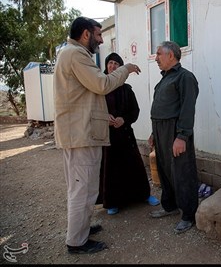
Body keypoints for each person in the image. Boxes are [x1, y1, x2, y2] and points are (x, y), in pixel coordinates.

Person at [53, 16, 141, 254]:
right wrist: (126, 69)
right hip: (80, 135)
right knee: (83, 189)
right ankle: (76, 242)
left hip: (80, 134)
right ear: (85, 35)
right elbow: (102, 85)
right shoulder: (76, 55)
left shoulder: (71, 54)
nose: (101, 40)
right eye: (99, 35)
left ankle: (81, 229)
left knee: (84, 188)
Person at [96, 53, 160, 215]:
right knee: (111, 169)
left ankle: (143, 196)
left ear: (121, 68)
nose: (113, 66)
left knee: (134, 165)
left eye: (116, 64)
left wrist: (124, 119)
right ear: (106, 65)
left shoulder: (126, 89)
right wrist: (105, 118)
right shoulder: (99, 88)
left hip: (125, 134)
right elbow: (93, 111)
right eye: (110, 63)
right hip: (107, 136)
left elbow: (135, 111)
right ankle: (112, 202)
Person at [148, 41, 199, 234]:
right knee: (164, 170)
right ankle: (169, 206)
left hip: (175, 131)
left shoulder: (185, 77)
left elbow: (188, 109)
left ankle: (188, 215)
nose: (156, 58)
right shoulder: (164, 79)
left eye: (159, 54)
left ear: (171, 55)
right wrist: (154, 133)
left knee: (182, 172)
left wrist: (182, 136)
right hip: (160, 131)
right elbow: (160, 108)